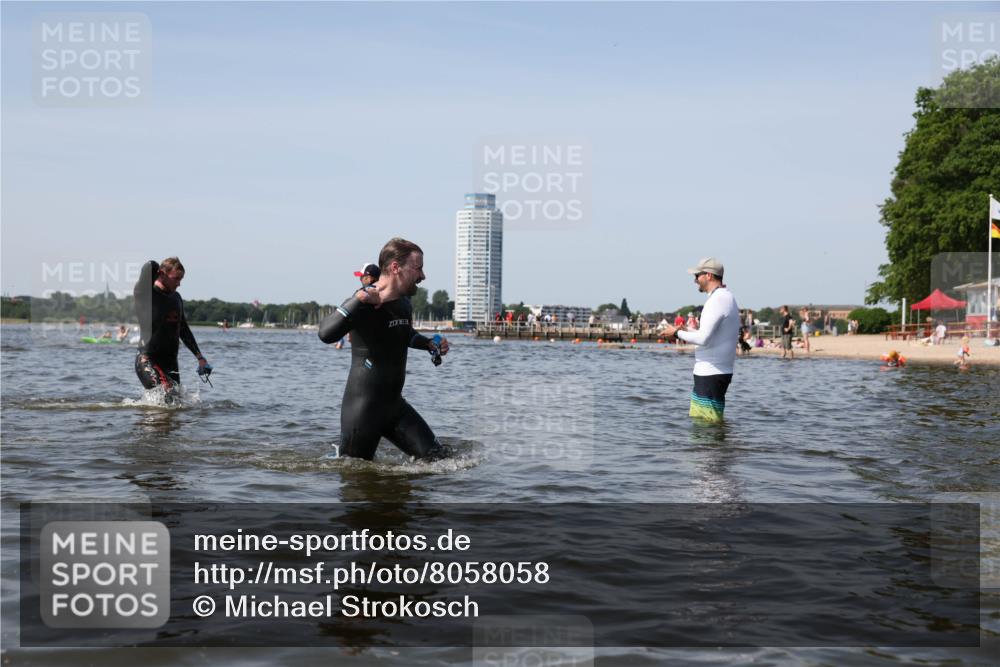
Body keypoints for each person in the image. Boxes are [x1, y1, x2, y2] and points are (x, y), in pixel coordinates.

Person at [318, 238, 450, 461]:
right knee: (354, 472)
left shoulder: (404, 302)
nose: (423, 275)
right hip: (363, 410)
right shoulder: (364, 301)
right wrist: (358, 300)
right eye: (418, 268)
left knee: (439, 460)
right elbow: (325, 334)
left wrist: (428, 343)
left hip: (395, 406)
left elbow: (404, 333)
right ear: (396, 267)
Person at [662, 258, 740, 423]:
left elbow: (703, 338)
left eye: (697, 275)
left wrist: (676, 333)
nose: (695, 280)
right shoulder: (725, 297)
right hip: (714, 371)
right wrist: (686, 330)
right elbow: (710, 335)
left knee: (706, 426)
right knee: (707, 424)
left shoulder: (717, 300)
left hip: (711, 372)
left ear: (709, 275)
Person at [133, 257, 209, 401]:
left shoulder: (176, 298)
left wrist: (200, 357)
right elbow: (149, 266)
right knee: (166, 395)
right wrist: (157, 268)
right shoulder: (145, 294)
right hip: (148, 360)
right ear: (162, 274)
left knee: (176, 401)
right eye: (176, 279)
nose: (179, 283)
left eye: (181, 279)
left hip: (170, 362)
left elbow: (183, 329)